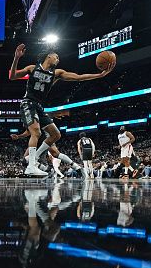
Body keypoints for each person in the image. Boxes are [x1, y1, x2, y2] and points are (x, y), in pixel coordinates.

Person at [9, 44, 114, 176]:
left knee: (55, 135)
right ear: (49, 56)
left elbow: (79, 77)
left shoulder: (57, 73)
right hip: (28, 102)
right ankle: (31, 165)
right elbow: (12, 76)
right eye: (56, 57)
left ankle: (34, 158)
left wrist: (100, 75)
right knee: (35, 133)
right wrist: (16, 58)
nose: (58, 59)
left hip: (39, 107)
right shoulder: (32, 68)